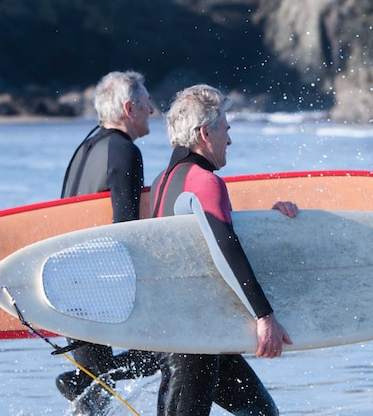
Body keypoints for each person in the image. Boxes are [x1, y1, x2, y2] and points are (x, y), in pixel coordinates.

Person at [151, 84, 296, 415]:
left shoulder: (163, 181)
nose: (229, 140)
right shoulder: (204, 180)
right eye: (225, 130)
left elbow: (196, 244)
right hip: (194, 340)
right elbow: (225, 248)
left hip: (186, 331)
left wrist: (269, 223)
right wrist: (265, 317)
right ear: (205, 133)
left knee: (260, 412)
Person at [56, 70, 160, 414]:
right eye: (147, 104)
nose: (153, 111)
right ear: (130, 108)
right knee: (172, 351)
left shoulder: (85, 148)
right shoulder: (124, 151)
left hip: (67, 283)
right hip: (97, 287)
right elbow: (126, 229)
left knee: (95, 400)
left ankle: (82, 380)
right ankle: (84, 380)